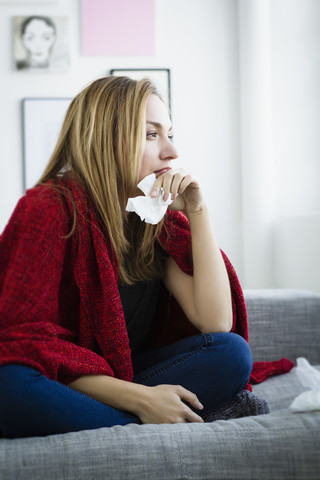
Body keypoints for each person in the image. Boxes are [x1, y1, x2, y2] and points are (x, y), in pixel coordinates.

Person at [0, 76, 265, 439]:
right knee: (9, 383)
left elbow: (216, 322)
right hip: (61, 380)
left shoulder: (158, 220)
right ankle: (144, 423)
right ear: (103, 139)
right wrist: (142, 399)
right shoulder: (47, 207)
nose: (171, 152)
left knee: (231, 354)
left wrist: (198, 211)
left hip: (123, 373)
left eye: (170, 134)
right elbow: (23, 343)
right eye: (151, 134)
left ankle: (122, 420)